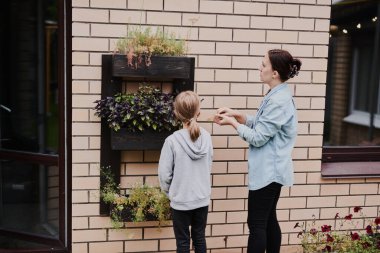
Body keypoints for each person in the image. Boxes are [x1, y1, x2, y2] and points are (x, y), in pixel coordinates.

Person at [214, 49, 301, 253]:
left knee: (257, 224)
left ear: (275, 73)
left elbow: (259, 137)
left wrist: (233, 124)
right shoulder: (277, 94)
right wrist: (238, 115)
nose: (259, 68)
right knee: (268, 219)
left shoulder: (279, 100)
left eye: (263, 65)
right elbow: (261, 124)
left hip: (268, 172)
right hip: (271, 170)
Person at [158, 90, 213, 253]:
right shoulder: (207, 137)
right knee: (199, 239)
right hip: (202, 199)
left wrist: (171, 193)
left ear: (176, 113)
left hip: (181, 200)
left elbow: (164, 174)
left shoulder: (172, 141)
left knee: (182, 243)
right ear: (199, 112)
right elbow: (208, 165)